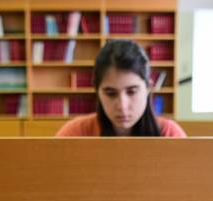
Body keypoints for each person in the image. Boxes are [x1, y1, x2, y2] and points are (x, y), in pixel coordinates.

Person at [56, 40, 186, 137]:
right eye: (111, 93)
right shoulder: (75, 133)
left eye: (132, 91)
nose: (122, 106)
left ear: (148, 88)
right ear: (98, 91)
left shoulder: (170, 134)